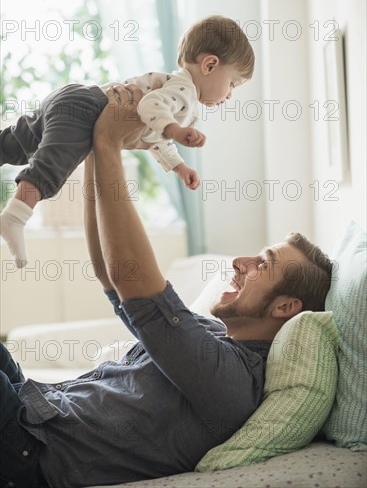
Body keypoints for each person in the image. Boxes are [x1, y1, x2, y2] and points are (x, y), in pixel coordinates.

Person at [0, 86, 332, 488]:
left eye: (262, 264)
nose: (239, 263)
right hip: (33, 407)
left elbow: (130, 278)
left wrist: (107, 143)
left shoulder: (233, 382)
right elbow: (110, 273)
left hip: (30, 452)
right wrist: (95, 149)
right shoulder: (211, 334)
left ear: (285, 307)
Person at [0, 15, 254, 268]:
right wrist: (176, 130)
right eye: (232, 83)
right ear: (209, 65)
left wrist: (178, 165)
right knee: (53, 166)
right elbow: (149, 107)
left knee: (16, 143)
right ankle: (15, 216)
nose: (230, 95)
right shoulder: (184, 93)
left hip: (74, 97)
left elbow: (156, 135)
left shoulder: (173, 89)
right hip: (87, 110)